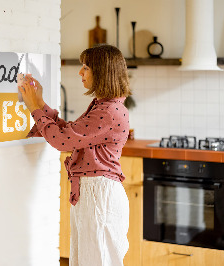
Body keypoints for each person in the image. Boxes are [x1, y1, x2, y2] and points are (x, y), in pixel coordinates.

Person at [19, 44, 131, 266]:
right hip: (94, 193)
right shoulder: (104, 106)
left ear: (102, 72)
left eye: (86, 67)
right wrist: (40, 103)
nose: (80, 72)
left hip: (99, 195)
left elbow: (62, 141)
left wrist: (34, 107)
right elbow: (70, 133)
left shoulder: (108, 111)